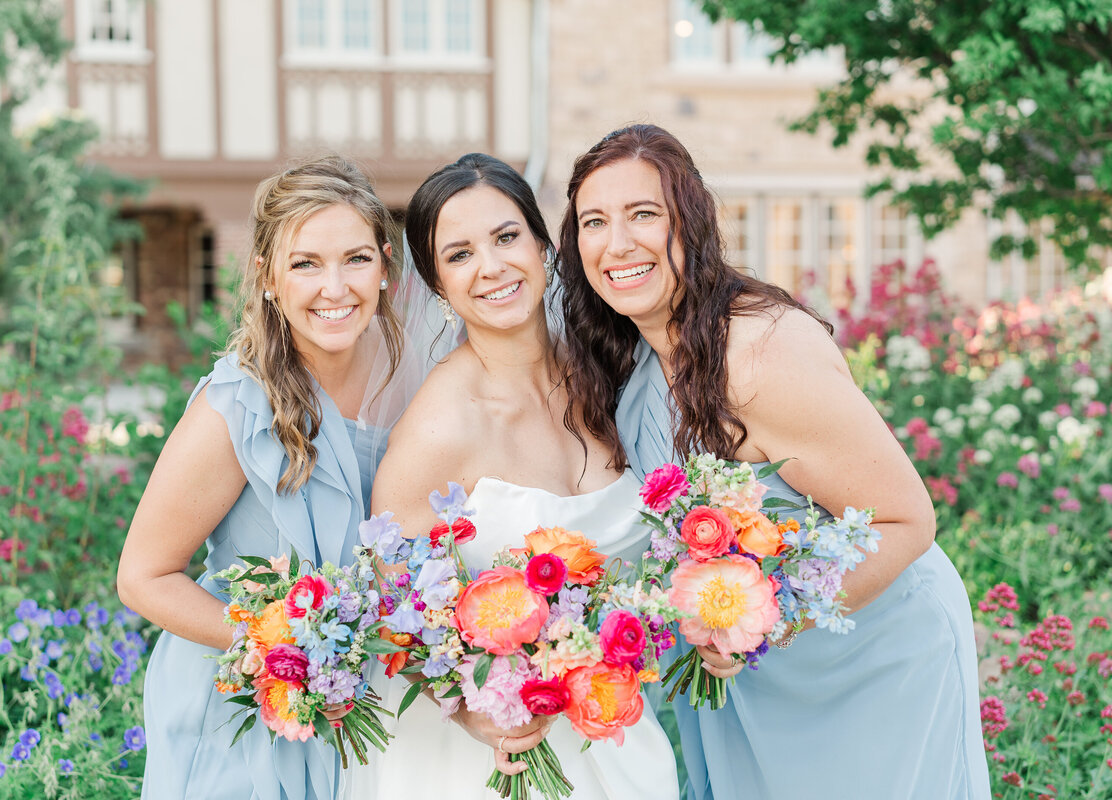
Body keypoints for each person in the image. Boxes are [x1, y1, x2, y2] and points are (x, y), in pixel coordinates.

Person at [557, 124, 991, 800]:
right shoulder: (637, 358)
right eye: (594, 221)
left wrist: (756, 625)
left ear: (690, 224)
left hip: (873, 659)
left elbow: (907, 521)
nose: (618, 244)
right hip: (750, 679)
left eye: (644, 214)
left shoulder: (760, 352)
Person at [337, 153, 680, 800]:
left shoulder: (615, 379)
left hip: (612, 729)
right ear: (437, 284)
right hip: (486, 762)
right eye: (460, 254)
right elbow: (389, 599)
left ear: (546, 245)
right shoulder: (440, 428)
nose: (492, 267)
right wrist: (472, 710)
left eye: (505, 237)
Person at [117, 155, 415, 800]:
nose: (334, 287)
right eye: (305, 263)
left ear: (386, 267)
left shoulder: (420, 385)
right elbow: (142, 576)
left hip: (366, 708)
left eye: (356, 259)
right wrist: (282, 647)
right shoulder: (235, 407)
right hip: (242, 711)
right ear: (268, 278)